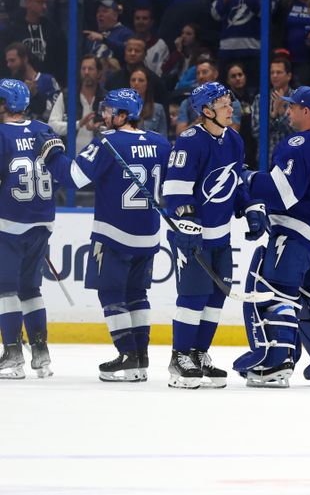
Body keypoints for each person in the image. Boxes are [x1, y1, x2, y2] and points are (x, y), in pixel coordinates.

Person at [34, 88, 171, 382]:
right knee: (137, 294)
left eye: (109, 110)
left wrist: (52, 151)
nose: (103, 115)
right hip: (148, 236)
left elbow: (72, 178)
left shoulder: (108, 143)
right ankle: (140, 356)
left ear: (123, 115)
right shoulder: (161, 143)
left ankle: (126, 355)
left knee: (111, 292)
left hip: (113, 236)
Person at [232, 86, 310, 387]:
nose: (287, 112)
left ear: (305, 111)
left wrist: (248, 178)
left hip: (295, 235)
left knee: (274, 295)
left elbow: (281, 192)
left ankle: (275, 366)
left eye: (291, 107)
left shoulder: (298, 144)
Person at [161, 82, 268, 389]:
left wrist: (251, 208)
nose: (230, 108)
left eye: (229, 103)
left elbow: (234, 185)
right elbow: (176, 190)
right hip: (194, 236)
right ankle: (179, 358)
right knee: (192, 297)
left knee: (215, 297)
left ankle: (199, 353)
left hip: (222, 237)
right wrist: (185, 222)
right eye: (223, 104)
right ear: (207, 111)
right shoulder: (189, 142)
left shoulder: (233, 140)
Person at [0, 79, 56, 379]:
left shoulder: (0, 134)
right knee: (31, 288)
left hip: (9, 223)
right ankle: (41, 353)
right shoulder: (42, 130)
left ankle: (12, 355)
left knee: (5, 289)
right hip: (42, 221)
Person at [48, 55, 105, 154]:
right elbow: (52, 126)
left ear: (99, 73)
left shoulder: (106, 99)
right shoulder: (67, 96)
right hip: (70, 158)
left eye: (90, 69)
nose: (86, 72)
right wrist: (78, 124)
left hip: (98, 159)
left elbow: (116, 129)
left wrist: (99, 128)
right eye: (83, 69)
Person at [4, 42, 60, 122]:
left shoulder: (47, 80)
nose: (8, 65)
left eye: (12, 60)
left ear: (25, 58)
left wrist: (35, 95)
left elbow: (53, 114)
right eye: (7, 61)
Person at [130, 67, 168, 137]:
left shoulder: (158, 109)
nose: (136, 83)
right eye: (133, 80)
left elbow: (163, 137)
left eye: (141, 80)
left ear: (148, 84)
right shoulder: (121, 108)